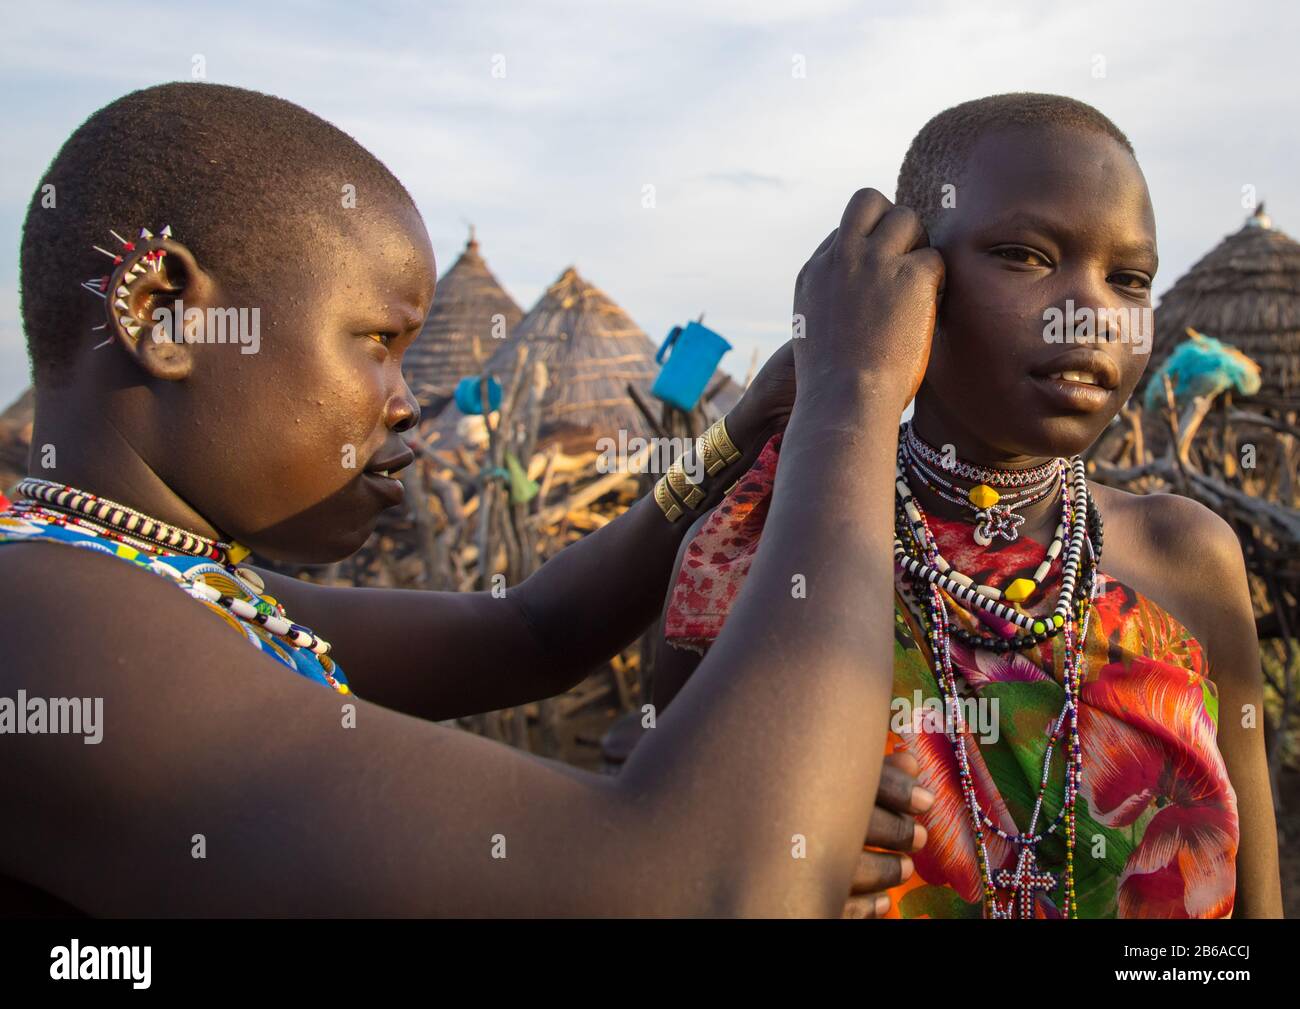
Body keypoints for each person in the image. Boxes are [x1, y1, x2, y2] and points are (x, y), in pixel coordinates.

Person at [0, 82, 937, 917]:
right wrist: (853, 398)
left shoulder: (165, 588)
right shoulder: (50, 629)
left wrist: (758, 422)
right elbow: (704, 885)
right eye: (376, 342)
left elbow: (534, 630)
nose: (408, 401)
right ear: (165, 315)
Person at [655, 93, 1284, 918]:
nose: (1088, 310)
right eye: (1025, 255)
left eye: (1130, 278)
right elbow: (658, 836)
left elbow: (1261, 899)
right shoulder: (766, 559)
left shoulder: (1187, 555)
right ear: (911, 283)